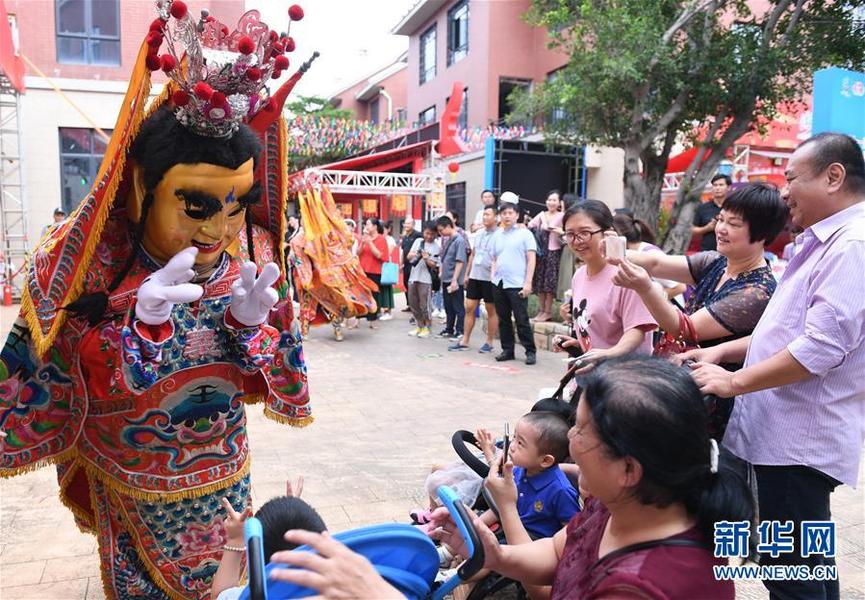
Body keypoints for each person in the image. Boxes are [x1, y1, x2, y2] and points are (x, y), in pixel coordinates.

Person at [0, 7, 313, 597]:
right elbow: (77, 375)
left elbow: (269, 372)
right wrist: (141, 327)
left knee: (233, 569)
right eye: (196, 207)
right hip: (135, 474)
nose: (218, 230)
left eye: (235, 205)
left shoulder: (252, 255)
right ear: (144, 187)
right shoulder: (90, 265)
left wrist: (252, 327)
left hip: (224, 466)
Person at [682, 132, 865, 600]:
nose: (783, 192)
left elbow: (820, 348)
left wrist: (733, 381)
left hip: (793, 442)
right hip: (783, 437)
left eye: (790, 179)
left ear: (834, 176)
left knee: (789, 574)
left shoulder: (851, 246)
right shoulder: (827, 240)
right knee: (810, 564)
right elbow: (785, 334)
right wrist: (724, 353)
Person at [429, 356, 753, 600]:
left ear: (628, 469)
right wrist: (495, 554)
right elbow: (558, 552)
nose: (570, 437)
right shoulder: (617, 505)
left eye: (581, 429)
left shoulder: (642, 586)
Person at [554, 200, 657, 374]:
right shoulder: (578, 276)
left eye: (584, 233)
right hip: (593, 376)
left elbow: (637, 330)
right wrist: (580, 346)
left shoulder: (627, 274)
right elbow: (600, 332)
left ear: (607, 234)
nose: (576, 241)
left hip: (626, 378)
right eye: (570, 234)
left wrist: (609, 354)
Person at [210, 477, 326, 600]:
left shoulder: (247, 595)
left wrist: (235, 540)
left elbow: (220, 594)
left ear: (257, 556)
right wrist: (293, 510)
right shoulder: (342, 588)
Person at [476, 412, 579, 540]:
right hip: (509, 526)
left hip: (533, 543)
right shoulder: (520, 470)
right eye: (514, 437)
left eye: (520, 443)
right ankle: (448, 550)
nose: (512, 447)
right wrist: (474, 526)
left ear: (545, 461)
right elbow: (500, 507)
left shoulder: (561, 491)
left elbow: (571, 531)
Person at [490, 197, 538, 364]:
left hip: (517, 284)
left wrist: (528, 283)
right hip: (499, 282)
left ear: (517, 215)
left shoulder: (525, 234)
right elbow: (494, 258)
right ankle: (507, 350)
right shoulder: (497, 235)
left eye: (510, 213)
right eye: (504, 213)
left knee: (521, 319)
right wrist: (492, 276)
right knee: (503, 319)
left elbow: (531, 259)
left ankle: (530, 351)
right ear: (500, 216)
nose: (507, 216)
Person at [449, 205, 499, 353]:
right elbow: (473, 254)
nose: (485, 217)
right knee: (469, 307)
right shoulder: (479, 234)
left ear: (496, 217)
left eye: (488, 215)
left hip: (490, 278)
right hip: (475, 275)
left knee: (491, 310)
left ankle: (489, 342)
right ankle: (465, 340)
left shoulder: (500, 235)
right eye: (484, 215)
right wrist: (467, 274)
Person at [612, 209, 686, 300]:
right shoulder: (626, 254)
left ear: (619, 236)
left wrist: (652, 301)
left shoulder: (650, 254)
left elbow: (679, 287)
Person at [528, 190, 565, 322]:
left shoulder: (563, 215)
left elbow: (567, 232)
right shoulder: (542, 215)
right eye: (549, 200)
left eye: (554, 200)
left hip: (554, 252)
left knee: (549, 284)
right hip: (541, 253)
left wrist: (559, 231)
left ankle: (548, 312)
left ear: (559, 202)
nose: (551, 202)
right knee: (540, 283)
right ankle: (541, 311)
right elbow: (530, 225)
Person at [406, 224, 440, 338]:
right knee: (413, 303)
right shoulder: (418, 241)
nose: (429, 236)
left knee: (425, 304)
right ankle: (419, 325)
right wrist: (416, 253)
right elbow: (409, 256)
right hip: (413, 276)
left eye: (432, 234)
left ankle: (428, 327)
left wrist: (426, 258)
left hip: (426, 279)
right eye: (427, 233)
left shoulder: (437, 247)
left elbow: (434, 265)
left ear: (435, 234)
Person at [436, 215, 467, 339]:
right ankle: (449, 328)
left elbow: (460, 261)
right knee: (448, 305)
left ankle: (460, 330)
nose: (440, 233)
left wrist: (455, 279)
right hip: (446, 278)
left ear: (448, 226)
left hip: (454, 280)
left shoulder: (459, 240)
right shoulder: (449, 239)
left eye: (441, 230)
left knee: (458, 306)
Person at [358, 218, 389, 329]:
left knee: (373, 296)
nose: (366, 226)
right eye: (365, 224)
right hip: (362, 271)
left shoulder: (381, 239)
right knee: (360, 295)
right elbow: (358, 253)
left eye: (368, 224)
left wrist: (370, 242)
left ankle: (373, 320)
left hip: (375, 271)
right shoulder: (364, 238)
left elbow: (380, 256)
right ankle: (358, 320)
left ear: (375, 226)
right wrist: (363, 243)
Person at [692, 174, 731, 251]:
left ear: (728, 187)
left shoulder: (734, 207)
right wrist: (707, 228)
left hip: (730, 253)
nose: (717, 188)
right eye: (715, 185)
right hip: (707, 253)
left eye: (721, 185)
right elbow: (692, 231)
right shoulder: (702, 207)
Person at [399, 217, 422, 312]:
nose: (407, 225)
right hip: (406, 264)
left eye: (409, 224)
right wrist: (401, 263)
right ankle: (409, 304)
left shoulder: (418, 235)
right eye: (406, 223)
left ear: (413, 225)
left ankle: (417, 306)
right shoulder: (405, 237)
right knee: (406, 283)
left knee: (414, 285)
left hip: (414, 264)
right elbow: (403, 251)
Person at [379, 221, 398, 320]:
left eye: (384, 228)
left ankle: (388, 311)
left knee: (386, 288)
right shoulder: (378, 238)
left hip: (385, 266)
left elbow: (387, 253)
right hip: (377, 266)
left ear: (388, 229)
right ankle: (379, 309)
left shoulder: (390, 240)